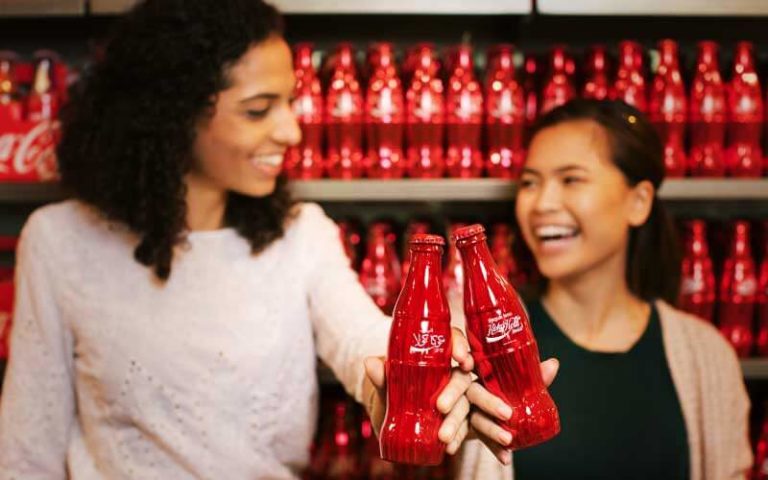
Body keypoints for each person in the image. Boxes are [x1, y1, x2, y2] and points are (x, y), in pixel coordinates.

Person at [0, 1, 482, 478]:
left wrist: (412, 371)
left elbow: (361, 338)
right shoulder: (59, 241)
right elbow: (27, 449)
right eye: (258, 111)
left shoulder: (301, 233)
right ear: (172, 116)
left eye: (289, 102)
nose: (292, 131)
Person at [458, 99, 752, 480]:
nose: (541, 203)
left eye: (571, 179)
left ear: (639, 201)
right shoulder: (475, 341)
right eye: (530, 182)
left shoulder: (707, 355)